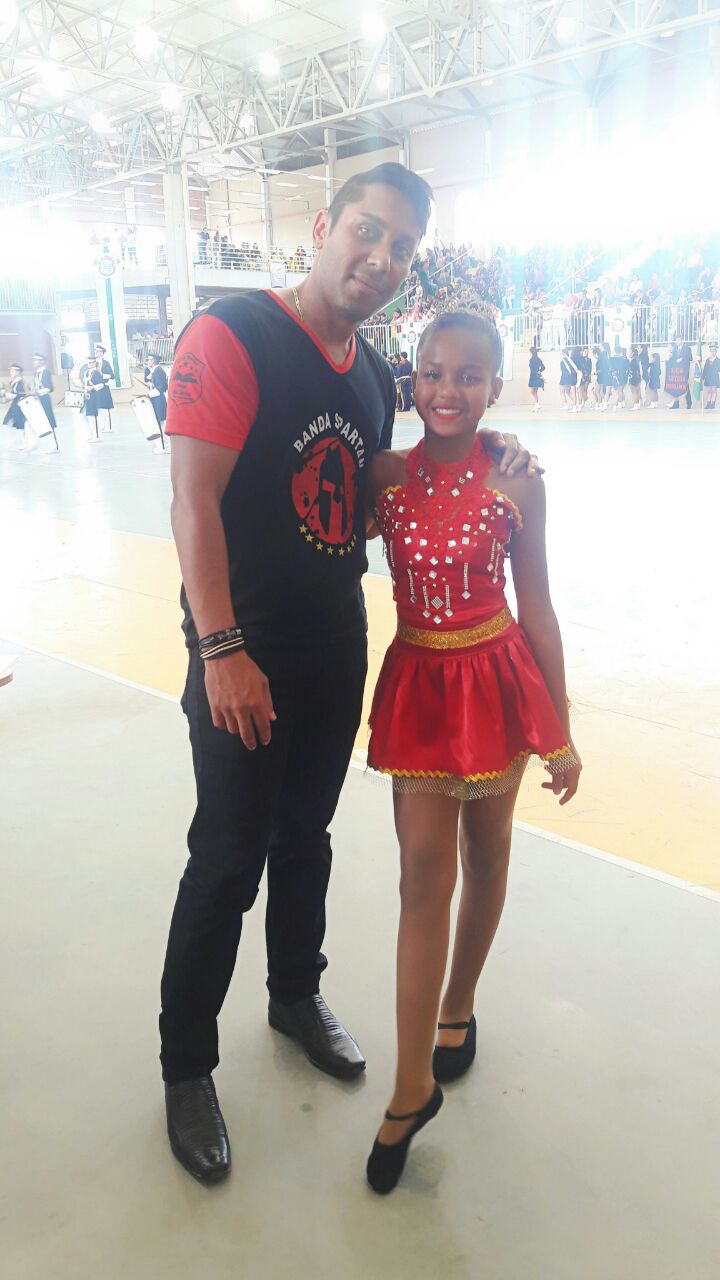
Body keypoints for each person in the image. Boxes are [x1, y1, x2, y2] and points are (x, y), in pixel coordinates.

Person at [159, 162, 535, 1186]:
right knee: (227, 856)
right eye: (367, 230)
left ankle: (294, 993)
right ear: (324, 225)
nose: (381, 256)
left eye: (402, 246)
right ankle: (187, 1066)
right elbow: (192, 500)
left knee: (306, 837)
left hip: (334, 645)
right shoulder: (234, 333)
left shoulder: (371, 375)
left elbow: (383, 490)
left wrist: (493, 454)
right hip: (244, 648)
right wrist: (220, 647)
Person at [364, 310, 580, 1194]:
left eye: (468, 375)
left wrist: (559, 729)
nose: (447, 390)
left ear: (494, 386)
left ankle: (459, 1006)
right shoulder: (383, 476)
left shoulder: (516, 479)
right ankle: (410, 1086)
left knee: (486, 855)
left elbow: (540, 607)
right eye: (432, 372)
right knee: (422, 873)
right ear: (411, 379)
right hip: (418, 685)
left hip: (496, 682)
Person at [31, 352, 59, 448]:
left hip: (44, 399)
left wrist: (38, 392)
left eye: (36, 360)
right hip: (37, 400)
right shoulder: (35, 373)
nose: (34, 362)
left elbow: (50, 388)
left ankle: (54, 445)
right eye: (33, 360)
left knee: (48, 420)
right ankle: (34, 443)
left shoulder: (46, 372)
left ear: (41, 361)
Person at [144, 353, 169, 452]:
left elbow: (162, 387)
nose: (147, 362)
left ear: (153, 361)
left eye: (149, 360)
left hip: (158, 400)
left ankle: (165, 447)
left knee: (160, 424)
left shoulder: (158, 370)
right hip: (156, 399)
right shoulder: (155, 370)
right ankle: (162, 446)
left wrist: (149, 394)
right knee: (159, 423)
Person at [2, 363, 28, 447]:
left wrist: (5, 394)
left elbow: (20, 395)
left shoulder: (20, 382)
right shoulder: (13, 382)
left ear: (18, 372)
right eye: (10, 371)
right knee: (7, 423)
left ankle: (24, 442)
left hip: (20, 405)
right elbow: (13, 395)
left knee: (20, 425)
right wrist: (4, 398)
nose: (10, 373)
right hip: (15, 405)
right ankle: (11, 440)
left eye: (12, 371)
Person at [93, 344, 115, 430]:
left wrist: (102, 375)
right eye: (95, 351)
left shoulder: (105, 363)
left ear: (102, 353)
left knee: (105, 408)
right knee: (96, 408)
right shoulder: (93, 363)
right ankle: (101, 425)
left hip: (104, 387)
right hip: (95, 388)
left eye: (98, 351)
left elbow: (112, 376)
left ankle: (108, 426)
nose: (96, 352)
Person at [83, 358, 104, 441]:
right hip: (87, 395)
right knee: (89, 416)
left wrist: (93, 387)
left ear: (95, 363)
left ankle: (96, 436)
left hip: (94, 395)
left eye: (91, 362)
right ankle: (92, 434)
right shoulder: (87, 372)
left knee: (93, 416)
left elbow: (101, 384)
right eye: (88, 363)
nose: (89, 364)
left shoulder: (96, 373)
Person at [528, 345, 545, 412]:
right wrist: (539, 371)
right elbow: (543, 367)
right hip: (538, 376)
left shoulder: (531, 360)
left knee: (532, 392)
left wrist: (537, 372)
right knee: (535, 392)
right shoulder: (538, 359)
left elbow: (533, 369)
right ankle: (536, 406)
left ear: (531, 352)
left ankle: (537, 405)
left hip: (533, 377)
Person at [702, 342, 719, 409]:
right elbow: (705, 369)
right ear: (710, 351)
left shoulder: (718, 360)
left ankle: (713, 404)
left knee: (714, 390)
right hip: (708, 377)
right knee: (709, 391)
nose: (713, 352)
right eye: (711, 350)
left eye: (714, 350)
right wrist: (703, 377)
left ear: (716, 351)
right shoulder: (707, 360)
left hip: (714, 377)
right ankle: (708, 404)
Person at [627, 346, 642, 411]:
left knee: (634, 392)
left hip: (633, 378)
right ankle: (637, 405)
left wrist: (629, 378)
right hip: (637, 378)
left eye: (629, 351)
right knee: (637, 392)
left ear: (632, 353)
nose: (628, 353)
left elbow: (632, 370)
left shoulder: (633, 361)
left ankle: (636, 405)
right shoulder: (636, 359)